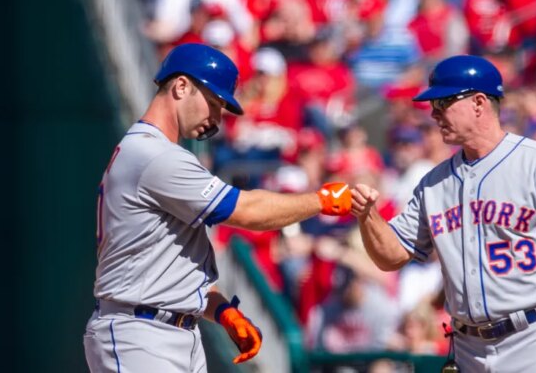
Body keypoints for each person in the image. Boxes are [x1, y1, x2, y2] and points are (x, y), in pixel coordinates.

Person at [83, 43, 352, 373]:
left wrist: (222, 311)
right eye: (212, 103)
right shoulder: (155, 156)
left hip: (168, 329)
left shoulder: (154, 153)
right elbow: (246, 210)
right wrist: (321, 200)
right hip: (140, 335)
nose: (215, 118)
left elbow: (174, 264)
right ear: (181, 86)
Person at [350, 55, 536, 372]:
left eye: (443, 102)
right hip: (467, 348)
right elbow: (390, 256)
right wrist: (367, 215)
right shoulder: (433, 184)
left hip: (535, 337)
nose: (434, 113)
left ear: (479, 102)